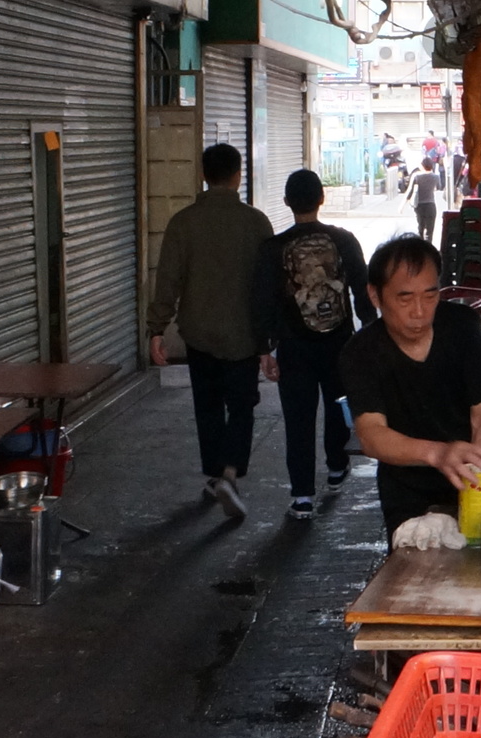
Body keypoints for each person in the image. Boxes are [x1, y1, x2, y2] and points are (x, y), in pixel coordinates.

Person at [341, 234, 481, 539]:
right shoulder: (360, 352)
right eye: (405, 298)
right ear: (375, 296)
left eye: (430, 296)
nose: (419, 311)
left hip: (477, 478)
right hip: (409, 493)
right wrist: (439, 454)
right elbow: (372, 435)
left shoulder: (462, 326)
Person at [148, 142, 272, 521]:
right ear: (238, 175)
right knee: (242, 405)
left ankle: (215, 474)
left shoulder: (183, 222)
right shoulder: (256, 222)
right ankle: (230, 474)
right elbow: (267, 284)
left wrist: (157, 329)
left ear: (203, 175)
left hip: (199, 331)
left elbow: (168, 279)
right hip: (244, 333)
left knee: (207, 406)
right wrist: (269, 340)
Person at [252, 168, 368, 521]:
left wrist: (264, 349)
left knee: (298, 419)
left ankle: (302, 495)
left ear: (287, 202)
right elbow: (363, 291)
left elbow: (262, 301)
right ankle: (336, 467)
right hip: (339, 342)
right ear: (322, 198)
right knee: (337, 405)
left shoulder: (273, 248)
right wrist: (370, 336)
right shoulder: (344, 240)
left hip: (293, 345)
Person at [410, 157, 443, 242]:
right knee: (430, 231)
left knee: (420, 228)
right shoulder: (436, 177)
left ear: (422, 166)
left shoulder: (416, 176)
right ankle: (429, 249)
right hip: (431, 205)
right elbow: (439, 187)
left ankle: (420, 248)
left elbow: (410, 191)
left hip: (419, 206)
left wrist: (403, 204)